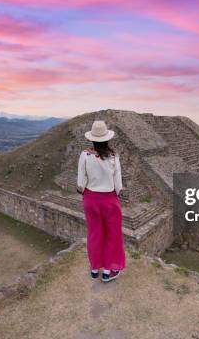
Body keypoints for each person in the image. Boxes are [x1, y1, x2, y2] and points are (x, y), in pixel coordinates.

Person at [77, 120, 126, 282]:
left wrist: (84, 192)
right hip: (109, 199)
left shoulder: (85, 155)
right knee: (112, 235)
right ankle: (107, 271)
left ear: (92, 139)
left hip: (91, 199)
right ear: (107, 139)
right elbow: (118, 183)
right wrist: (116, 192)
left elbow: (81, 181)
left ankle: (93, 268)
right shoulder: (113, 156)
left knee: (94, 233)